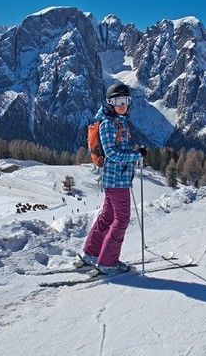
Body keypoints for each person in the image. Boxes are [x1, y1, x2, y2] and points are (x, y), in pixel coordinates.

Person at [79, 83, 146, 274]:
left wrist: (134, 151)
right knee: (122, 220)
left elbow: (119, 149)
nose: (122, 105)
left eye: (125, 101)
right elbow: (112, 153)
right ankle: (108, 262)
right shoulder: (108, 123)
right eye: (117, 101)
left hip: (117, 178)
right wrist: (136, 156)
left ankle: (91, 253)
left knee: (108, 217)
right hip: (117, 180)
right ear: (109, 103)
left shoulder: (118, 120)